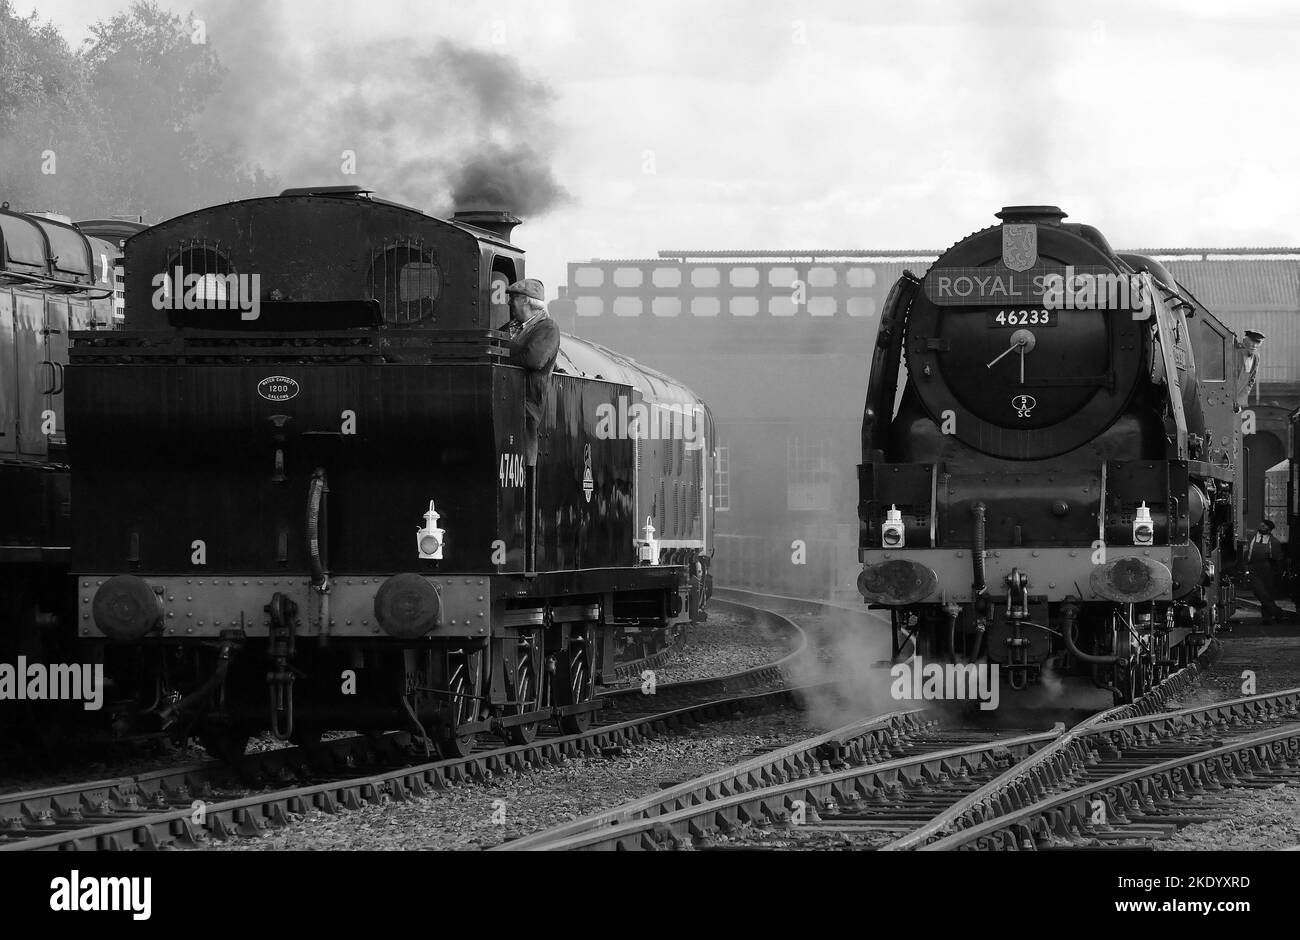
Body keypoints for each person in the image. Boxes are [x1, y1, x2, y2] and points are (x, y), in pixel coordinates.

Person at [503, 278, 559, 573]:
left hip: (526, 406)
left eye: (513, 299)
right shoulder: (511, 331)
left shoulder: (547, 329)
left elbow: (533, 359)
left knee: (525, 459)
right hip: (503, 400)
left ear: (526, 301)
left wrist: (499, 351)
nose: (508, 304)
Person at [1245, 519, 1290, 623]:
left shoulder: (1274, 542)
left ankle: (1266, 618)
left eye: (1265, 526)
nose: (1262, 526)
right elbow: (1245, 552)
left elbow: (1278, 559)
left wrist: (1278, 573)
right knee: (1260, 593)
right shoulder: (1251, 537)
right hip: (1254, 569)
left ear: (1269, 530)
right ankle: (1278, 613)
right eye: (1262, 524)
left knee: (1267, 594)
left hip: (1268, 570)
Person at [1235, 330, 1264, 408]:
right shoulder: (1234, 352)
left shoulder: (1256, 356)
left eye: (1257, 343)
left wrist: (1241, 399)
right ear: (1244, 341)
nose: (1254, 346)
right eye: (1252, 342)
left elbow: (1251, 379)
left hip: (1241, 396)